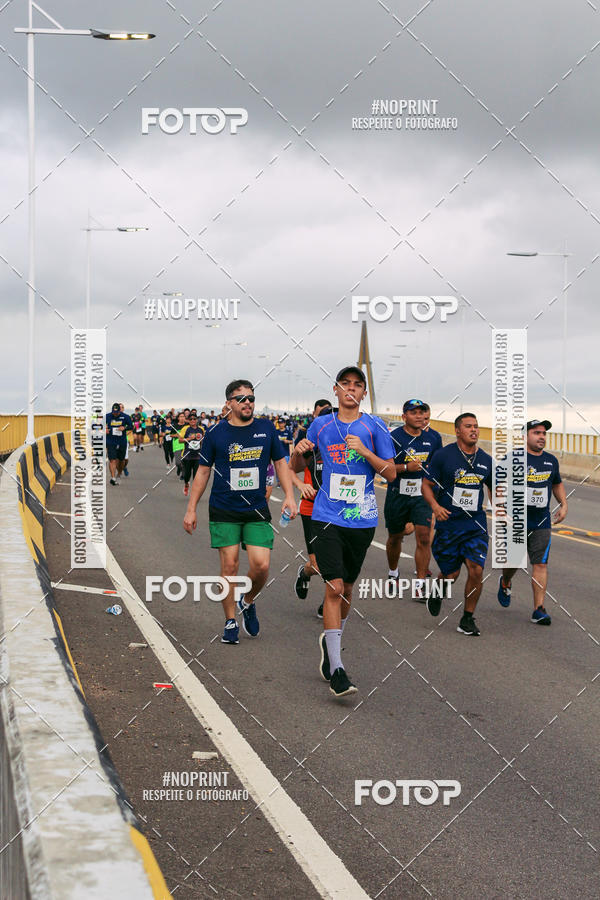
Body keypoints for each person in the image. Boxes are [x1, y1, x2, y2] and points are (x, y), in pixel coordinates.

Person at [296, 367, 395, 697]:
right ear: (335, 390)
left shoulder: (375, 426)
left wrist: (366, 452)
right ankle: (337, 669)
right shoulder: (322, 424)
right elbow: (299, 465)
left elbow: (392, 473)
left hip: (362, 519)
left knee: (348, 590)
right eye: (345, 384)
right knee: (334, 587)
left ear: (364, 393)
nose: (351, 389)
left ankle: (331, 640)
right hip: (326, 516)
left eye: (357, 385)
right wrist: (299, 451)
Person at [183, 380, 297, 644]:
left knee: (261, 565)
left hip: (256, 509)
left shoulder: (266, 429)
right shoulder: (215, 433)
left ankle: (247, 600)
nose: (247, 402)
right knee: (230, 566)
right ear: (229, 404)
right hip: (224, 508)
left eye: (251, 398)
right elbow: (202, 472)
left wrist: (290, 496)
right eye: (241, 398)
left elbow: (280, 462)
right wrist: (191, 509)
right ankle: (230, 621)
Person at [421, 413, 493, 636]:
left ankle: (467, 618)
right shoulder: (444, 456)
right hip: (449, 524)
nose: (474, 430)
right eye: (468, 426)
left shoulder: (486, 460)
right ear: (458, 431)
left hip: (475, 526)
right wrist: (435, 506)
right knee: (451, 575)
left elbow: (493, 487)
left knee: (476, 569)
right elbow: (426, 484)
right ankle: (438, 589)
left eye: (476, 426)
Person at [498, 419, 568, 625]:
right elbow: (497, 483)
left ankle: (539, 609)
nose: (541, 437)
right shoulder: (512, 459)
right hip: (516, 521)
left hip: (541, 521)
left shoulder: (550, 461)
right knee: (514, 563)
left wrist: (563, 504)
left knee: (540, 564)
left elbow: (556, 483)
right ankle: (506, 581)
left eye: (544, 433)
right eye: (536, 433)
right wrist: (501, 508)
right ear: (525, 436)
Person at [384, 400, 437, 599]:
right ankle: (393, 573)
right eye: (413, 412)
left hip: (422, 495)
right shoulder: (393, 438)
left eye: (421, 413)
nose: (418, 416)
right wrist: (406, 468)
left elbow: (436, 466)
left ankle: (421, 584)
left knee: (424, 537)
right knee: (395, 537)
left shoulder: (433, 438)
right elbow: (383, 467)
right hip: (397, 493)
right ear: (404, 416)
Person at [289, 400, 332, 609]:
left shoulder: (348, 443)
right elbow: (290, 469)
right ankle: (304, 572)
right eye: (324, 417)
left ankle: (329, 602)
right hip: (311, 507)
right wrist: (301, 485)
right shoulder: (308, 441)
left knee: (334, 562)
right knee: (317, 565)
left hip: (338, 510)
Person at [105, 402, 132, 485]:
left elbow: (131, 426)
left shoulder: (125, 417)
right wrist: (104, 430)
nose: (115, 414)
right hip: (111, 441)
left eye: (117, 413)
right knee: (112, 460)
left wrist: (124, 427)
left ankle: (119, 473)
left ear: (120, 411)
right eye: (114, 412)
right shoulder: (107, 416)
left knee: (121, 460)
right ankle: (113, 478)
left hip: (122, 442)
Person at [181, 413, 205, 497]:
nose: (192, 420)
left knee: (196, 475)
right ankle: (186, 484)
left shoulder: (201, 429)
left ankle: (194, 492)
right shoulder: (186, 429)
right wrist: (189, 439)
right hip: (187, 455)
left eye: (194, 419)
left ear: (197, 420)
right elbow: (180, 440)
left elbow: (203, 440)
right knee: (187, 475)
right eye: (190, 419)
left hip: (197, 455)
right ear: (188, 420)